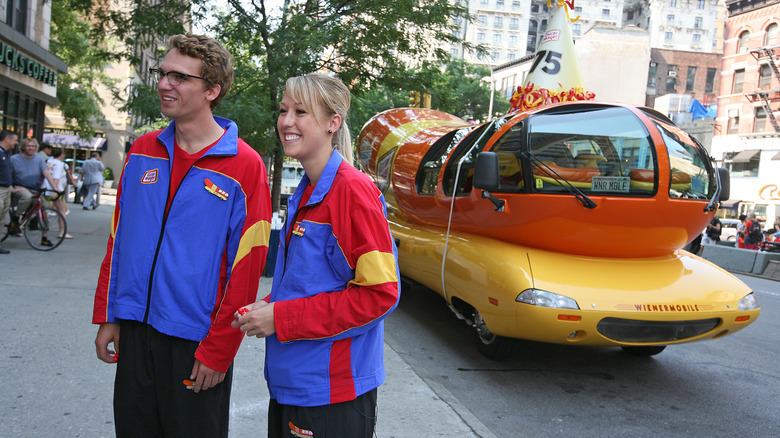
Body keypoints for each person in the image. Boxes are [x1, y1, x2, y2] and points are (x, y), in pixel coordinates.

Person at [92, 33, 272, 437]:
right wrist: (109, 315)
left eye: (179, 77)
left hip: (197, 341)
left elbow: (246, 269)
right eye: (163, 73)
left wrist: (220, 349)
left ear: (212, 90)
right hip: (135, 329)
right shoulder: (142, 150)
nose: (164, 84)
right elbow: (118, 242)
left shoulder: (245, 166)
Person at [232, 73, 400, 438]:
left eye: (300, 112)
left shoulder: (353, 192)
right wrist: (269, 306)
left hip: (330, 393)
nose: (286, 121)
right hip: (294, 382)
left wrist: (281, 318)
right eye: (283, 110)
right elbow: (313, 283)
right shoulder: (308, 190)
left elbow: (380, 294)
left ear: (332, 123)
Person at [9, 137, 57, 244]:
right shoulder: (14, 159)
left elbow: (46, 173)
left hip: (35, 188)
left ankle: (44, 239)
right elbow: (7, 174)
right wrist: (11, 188)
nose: (31, 148)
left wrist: (55, 187)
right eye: (28, 146)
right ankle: (15, 219)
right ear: (23, 147)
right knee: (27, 197)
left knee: (44, 211)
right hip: (19, 186)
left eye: (33, 146)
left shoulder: (39, 159)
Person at [41, 148, 73, 239]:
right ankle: (62, 232)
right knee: (62, 211)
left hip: (45, 188)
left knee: (42, 209)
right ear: (61, 154)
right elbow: (56, 177)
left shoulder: (48, 162)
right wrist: (54, 189)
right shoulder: (60, 164)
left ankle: (21, 224)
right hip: (56, 190)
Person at [0, 130, 17, 254]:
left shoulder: (7, 154)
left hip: (6, 189)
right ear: (7, 139)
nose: (16, 143)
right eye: (15, 140)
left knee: (2, 218)